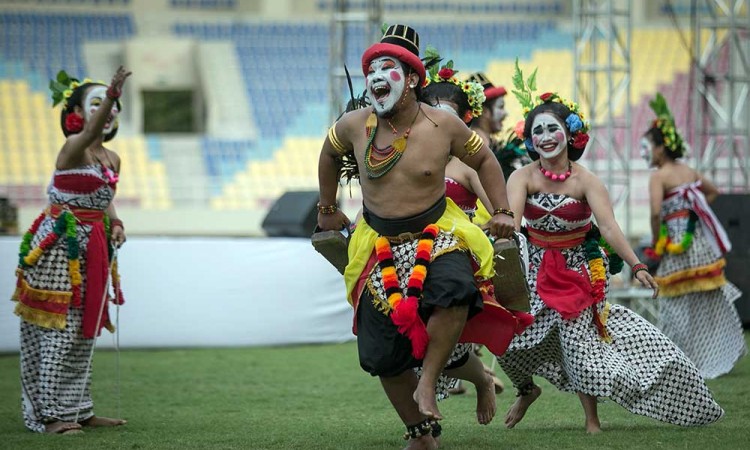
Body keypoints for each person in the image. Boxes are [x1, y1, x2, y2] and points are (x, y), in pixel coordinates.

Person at [317, 25, 524, 449]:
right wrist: (326, 207)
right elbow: (328, 153)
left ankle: (428, 382)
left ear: (411, 79)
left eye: (387, 68)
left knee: (454, 289)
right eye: (371, 68)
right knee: (379, 353)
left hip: (438, 233)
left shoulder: (442, 125)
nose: (376, 76)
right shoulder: (356, 124)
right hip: (376, 243)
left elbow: (485, 158)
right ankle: (421, 435)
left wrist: (502, 211)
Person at [495, 63, 725, 434]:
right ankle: (526, 388)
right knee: (508, 341)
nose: (546, 136)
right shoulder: (521, 177)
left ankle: (592, 421)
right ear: (530, 140)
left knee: (580, 348)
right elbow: (514, 224)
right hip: (535, 268)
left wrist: (637, 266)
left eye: (553, 128)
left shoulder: (587, 181)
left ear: (570, 135)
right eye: (538, 131)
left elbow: (610, 227)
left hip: (578, 271)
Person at [11, 66, 131, 434]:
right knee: (57, 330)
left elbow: (104, 198)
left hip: (93, 247)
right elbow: (92, 131)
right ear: (77, 113)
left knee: (84, 329)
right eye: (95, 104)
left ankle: (79, 409)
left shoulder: (111, 159)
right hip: (59, 249)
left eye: (111, 107)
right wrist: (112, 93)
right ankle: (48, 415)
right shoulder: (72, 148)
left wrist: (116, 223)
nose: (108, 113)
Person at [642, 93, 746, 379]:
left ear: (661, 148)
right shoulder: (688, 170)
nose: (647, 152)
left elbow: (654, 214)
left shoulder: (658, 176)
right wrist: (691, 211)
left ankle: (677, 355)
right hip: (700, 245)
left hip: (675, 248)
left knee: (675, 303)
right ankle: (718, 349)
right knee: (708, 302)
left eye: (649, 146)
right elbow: (712, 191)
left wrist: (656, 244)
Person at [421, 58, 506, 396]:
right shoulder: (408, 161)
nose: (440, 123)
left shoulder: (470, 165)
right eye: (432, 113)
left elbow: (499, 213)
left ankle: (471, 381)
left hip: (457, 258)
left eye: (449, 116)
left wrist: (497, 222)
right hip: (412, 254)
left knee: (442, 337)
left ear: (464, 120)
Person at [467, 71, 531, 182]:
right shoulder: (475, 146)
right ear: (485, 111)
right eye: (501, 107)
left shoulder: (487, 143)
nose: (506, 113)